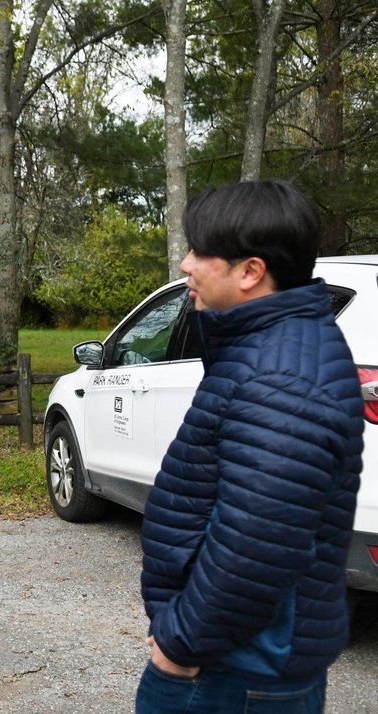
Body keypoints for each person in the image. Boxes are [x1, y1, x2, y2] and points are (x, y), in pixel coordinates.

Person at [136, 181, 365, 713]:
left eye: (199, 252)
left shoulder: (280, 376)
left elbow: (256, 541)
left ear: (250, 272)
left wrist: (181, 644)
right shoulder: (273, 350)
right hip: (244, 662)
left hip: (238, 673)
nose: (185, 265)